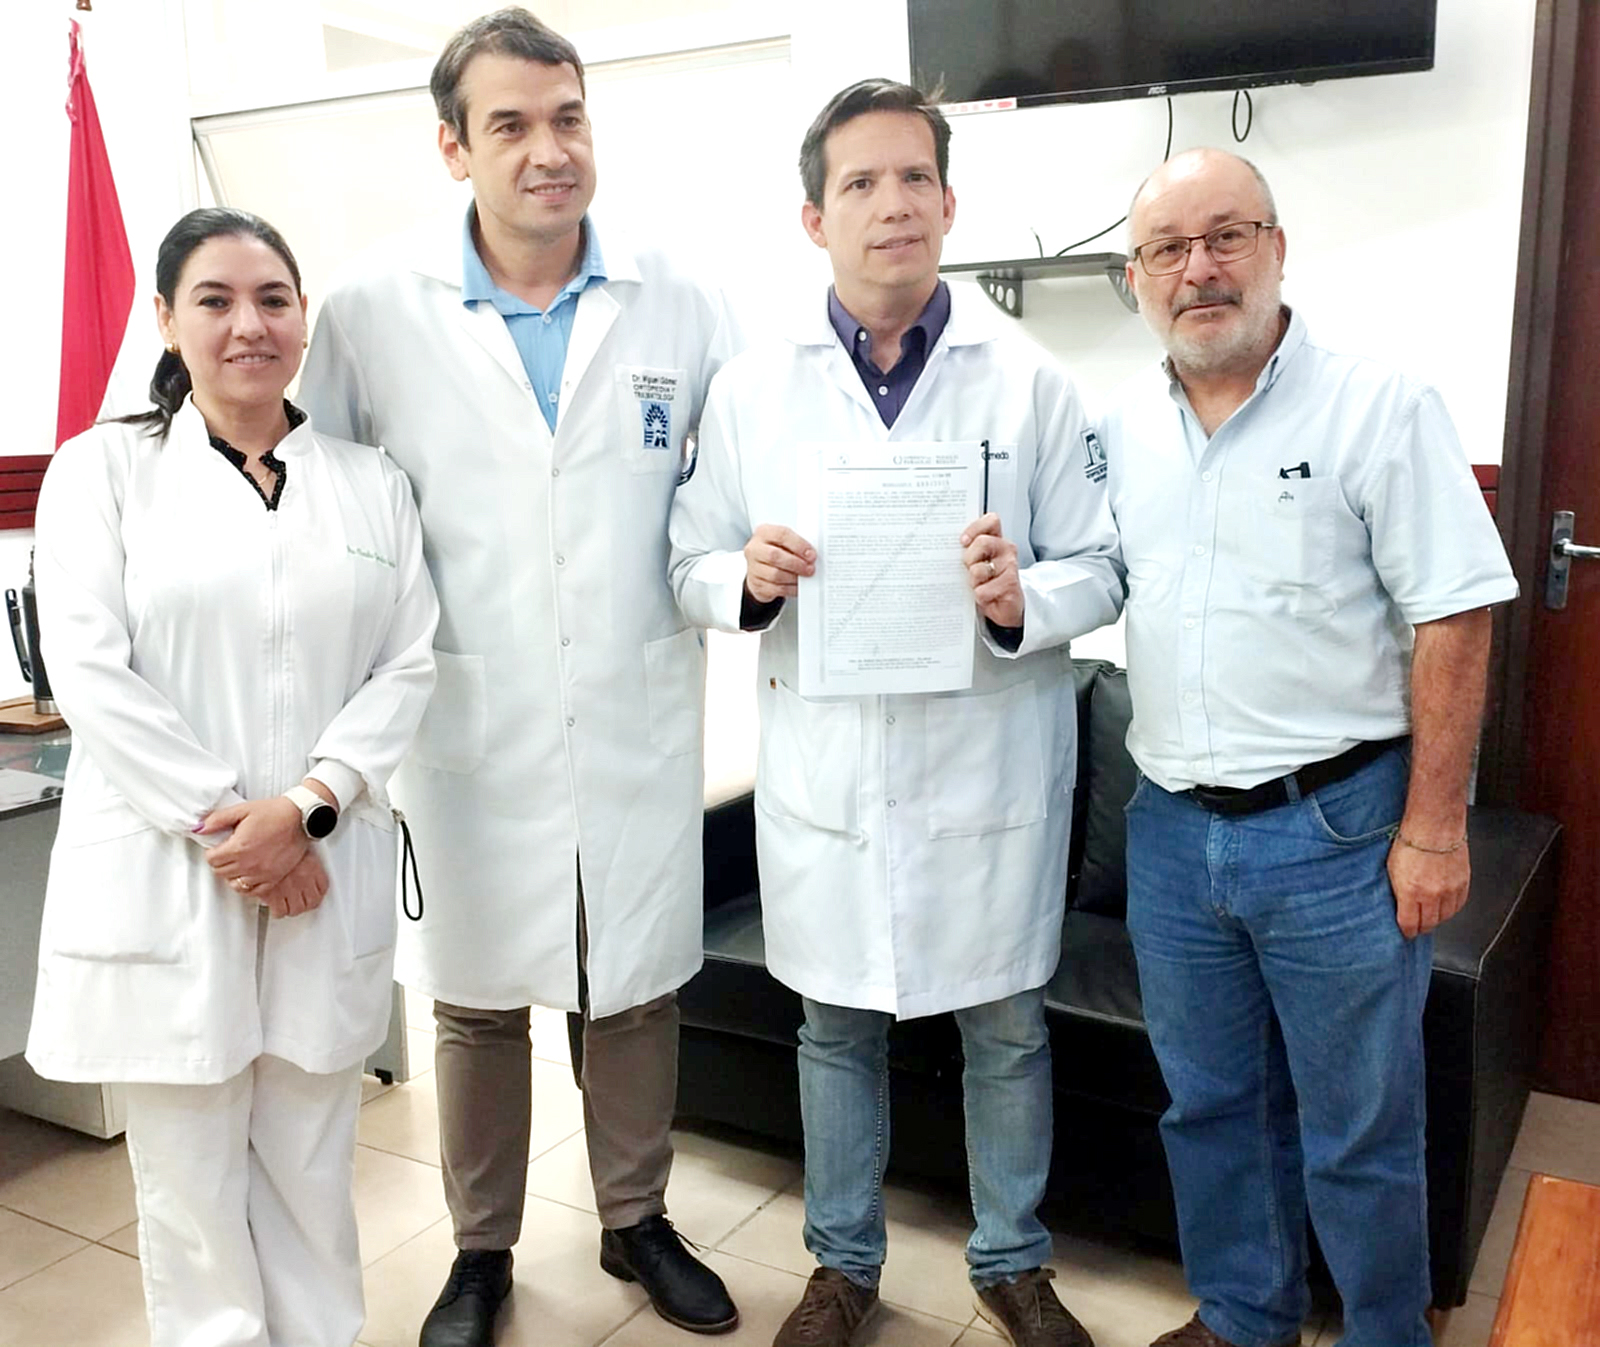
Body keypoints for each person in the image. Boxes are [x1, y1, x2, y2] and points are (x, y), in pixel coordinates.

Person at [298, 9, 742, 1346]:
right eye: (511, 125)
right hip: (467, 718)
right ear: (454, 147)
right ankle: (481, 1250)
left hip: (632, 705)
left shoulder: (679, 299)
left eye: (568, 118)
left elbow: (721, 498)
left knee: (636, 983)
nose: (549, 151)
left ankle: (635, 1217)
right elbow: (327, 513)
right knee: (477, 998)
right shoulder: (371, 311)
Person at [668, 79, 1123, 1347]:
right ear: (814, 219)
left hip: (987, 770)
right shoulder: (752, 388)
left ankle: (1013, 1263)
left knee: (1007, 1033)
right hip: (828, 777)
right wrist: (746, 579)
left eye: (914, 177)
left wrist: (1022, 595)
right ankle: (842, 1267)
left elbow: (1103, 566)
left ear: (949, 203)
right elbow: (685, 562)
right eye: (860, 183)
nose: (892, 204)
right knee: (833, 1031)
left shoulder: (1031, 383)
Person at [1098, 148, 1519, 1347]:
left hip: (1336, 833)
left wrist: (1433, 829)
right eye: (1167, 249)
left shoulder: (1380, 408)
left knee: (1360, 1130)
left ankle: (1386, 1335)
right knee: (1210, 1111)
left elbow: (1454, 615)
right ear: (1136, 279)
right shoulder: (1118, 427)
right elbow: (1099, 579)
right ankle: (1245, 1320)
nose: (1198, 268)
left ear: (1276, 248)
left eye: (1225, 235)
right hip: (1170, 834)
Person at [25, 206, 439, 1347]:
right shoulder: (104, 471)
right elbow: (90, 670)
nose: (248, 324)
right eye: (214, 300)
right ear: (167, 320)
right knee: (192, 1182)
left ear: (304, 319)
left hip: (322, 861)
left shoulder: (369, 483)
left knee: (312, 1162)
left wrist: (307, 809)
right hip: (180, 871)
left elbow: (406, 664)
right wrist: (238, 831)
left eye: (273, 299)